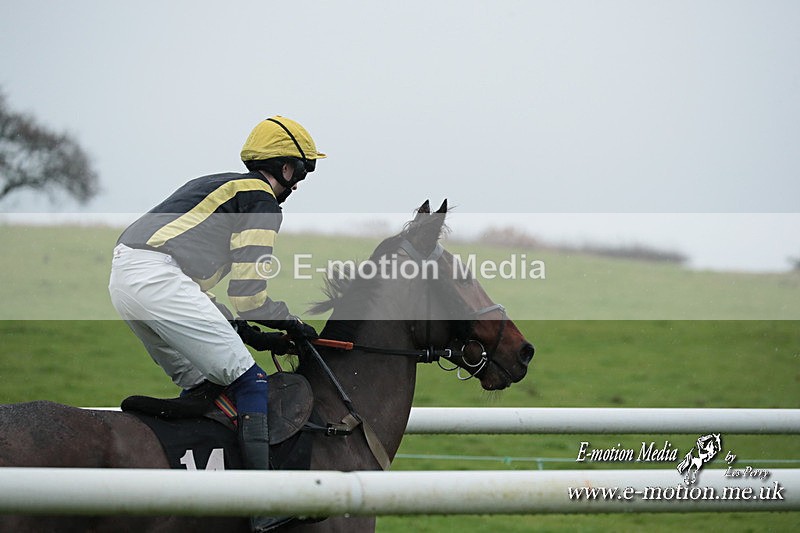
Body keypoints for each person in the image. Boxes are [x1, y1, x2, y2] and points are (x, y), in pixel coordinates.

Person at [109, 115, 324, 532]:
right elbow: (248, 296)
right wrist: (291, 324)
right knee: (251, 383)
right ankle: (264, 502)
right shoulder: (261, 200)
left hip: (127, 278)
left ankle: (203, 487)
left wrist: (256, 334)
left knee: (209, 385)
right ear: (286, 167)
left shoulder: (222, 185)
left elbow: (215, 308)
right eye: (301, 172)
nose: (297, 185)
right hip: (158, 277)